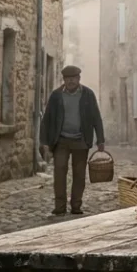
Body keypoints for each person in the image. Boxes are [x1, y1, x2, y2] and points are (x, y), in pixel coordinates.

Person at [39, 65, 105, 215]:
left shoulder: (88, 94)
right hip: (61, 140)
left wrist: (100, 139)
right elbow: (47, 119)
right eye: (68, 79)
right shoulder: (56, 96)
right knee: (60, 172)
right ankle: (60, 207)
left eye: (73, 78)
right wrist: (44, 142)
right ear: (64, 80)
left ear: (79, 79)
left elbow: (96, 117)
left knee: (79, 174)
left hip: (81, 140)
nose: (71, 81)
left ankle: (76, 205)